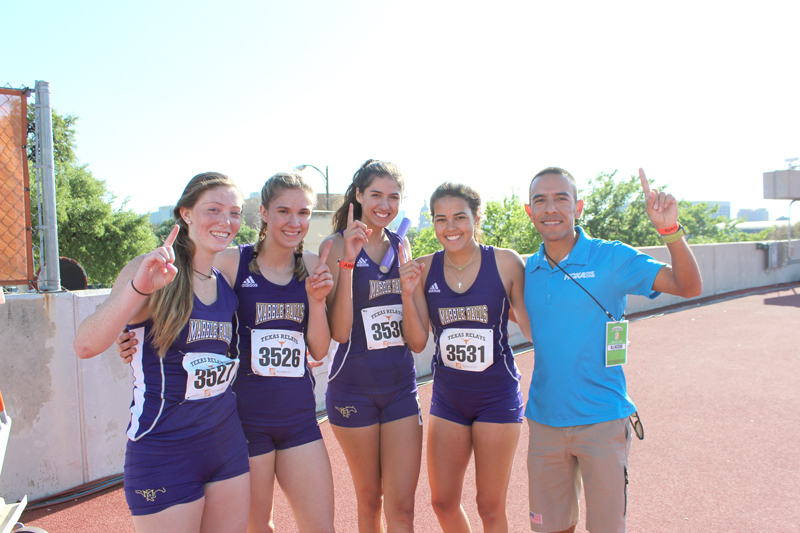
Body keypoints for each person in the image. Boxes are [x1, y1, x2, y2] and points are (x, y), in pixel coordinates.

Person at [117, 173, 336, 533]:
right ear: (263, 212)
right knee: (257, 526)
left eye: (304, 212)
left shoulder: (311, 265)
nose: (294, 222)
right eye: (283, 210)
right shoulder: (232, 262)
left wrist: (315, 300)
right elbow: (177, 299)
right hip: (246, 421)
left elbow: (320, 348)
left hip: (298, 416)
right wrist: (127, 335)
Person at [522, 167, 703, 533]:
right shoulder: (525, 270)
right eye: (540, 200)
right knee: (548, 529)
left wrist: (669, 231)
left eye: (561, 198)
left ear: (579, 207)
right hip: (544, 423)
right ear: (529, 211)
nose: (550, 208)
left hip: (602, 422)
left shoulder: (612, 258)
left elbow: (688, 286)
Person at [73, 172, 251, 532]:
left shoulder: (224, 279)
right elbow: (86, 344)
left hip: (226, 447)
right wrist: (138, 290)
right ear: (185, 213)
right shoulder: (151, 268)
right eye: (212, 209)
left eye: (234, 212)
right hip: (164, 450)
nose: (225, 221)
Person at [398, 182, 532, 533]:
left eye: (460, 217)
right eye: (441, 219)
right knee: (442, 502)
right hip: (449, 400)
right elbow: (416, 341)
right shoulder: (424, 269)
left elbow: (533, 328)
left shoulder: (504, 262)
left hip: (497, 398)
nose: (450, 227)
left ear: (477, 217)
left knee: (489, 507)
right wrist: (407, 294)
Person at [320, 159, 422, 533]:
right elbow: (340, 331)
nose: (385, 204)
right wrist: (348, 262)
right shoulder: (333, 246)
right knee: (370, 499)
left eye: (393, 197)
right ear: (358, 195)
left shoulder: (402, 242)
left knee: (404, 508)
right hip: (353, 389)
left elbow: (412, 320)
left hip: (399, 387)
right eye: (376, 194)